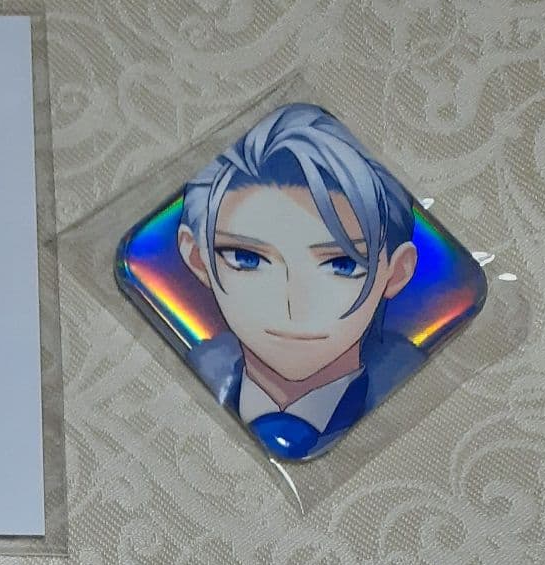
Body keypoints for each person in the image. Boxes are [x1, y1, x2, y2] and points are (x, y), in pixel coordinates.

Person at [177, 103, 422, 460]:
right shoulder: (181, 382)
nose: (294, 307)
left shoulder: (416, 394)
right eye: (247, 259)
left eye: (341, 264)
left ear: (397, 272)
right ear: (197, 258)